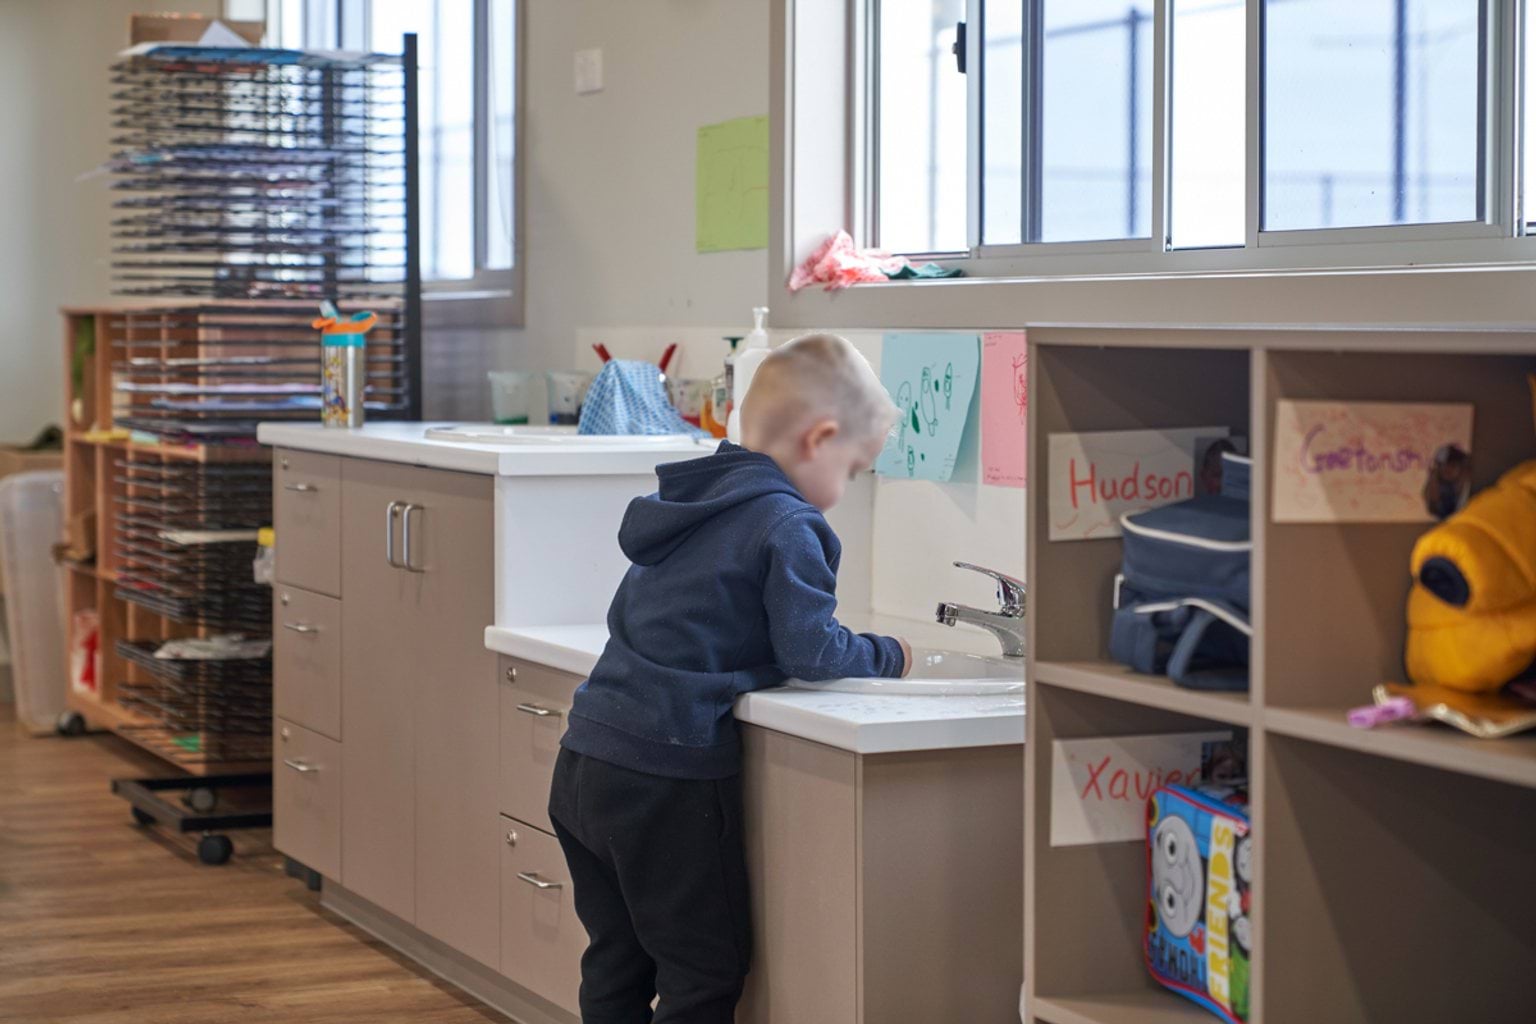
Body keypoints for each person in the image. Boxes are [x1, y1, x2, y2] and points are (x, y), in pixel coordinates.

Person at [550, 333, 911, 1023]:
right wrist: (891, 654)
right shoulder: (787, 522)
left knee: (617, 959)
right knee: (703, 973)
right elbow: (814, 651)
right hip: (665, 774)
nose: (847, 490)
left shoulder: (693, 501)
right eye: (856, 469)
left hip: (586, 758)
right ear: (821, 439)